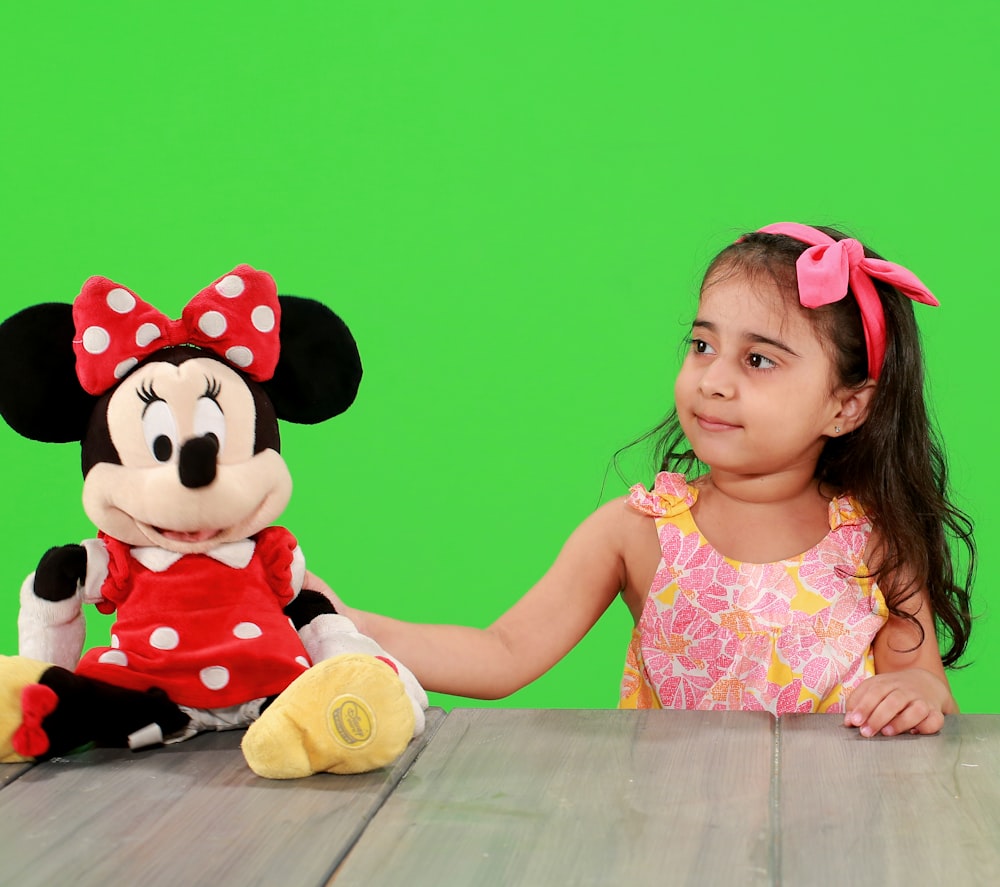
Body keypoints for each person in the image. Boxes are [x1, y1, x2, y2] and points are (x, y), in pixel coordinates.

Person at [310, 222, 975, 738]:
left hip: (838, 834)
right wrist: (341, 622)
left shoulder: (872, 539)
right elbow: (502, 651)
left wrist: (916, 695)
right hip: (671, 834)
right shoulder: (640, 532)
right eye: (702, 345)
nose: (714, 378)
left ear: (846, 405)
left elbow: (921, 680)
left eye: (758, 359)